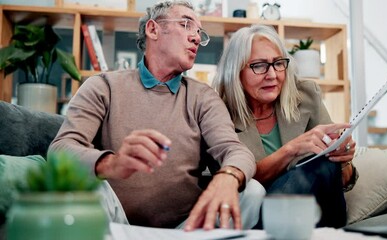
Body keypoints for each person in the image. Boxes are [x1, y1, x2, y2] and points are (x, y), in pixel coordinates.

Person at [48, 0, 265, 231]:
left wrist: (229, 176)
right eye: (185, 25)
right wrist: (111, 163)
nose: (195, 38)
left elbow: (235, 150)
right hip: (113, 223)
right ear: (153, 29)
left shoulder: (203, 97)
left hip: (186, 230)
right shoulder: (103, 86)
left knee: (252, 191)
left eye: (199, 32)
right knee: (85, 181)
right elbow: (60, 149)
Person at [212, 24, 359, 228]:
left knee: (325, 163)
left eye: (278, 63)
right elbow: (236, 179)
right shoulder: (218, 111)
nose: (272, 74)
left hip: (312, 212)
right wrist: (292, 149)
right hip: (254, 211)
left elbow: (336, 181)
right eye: (259, 65)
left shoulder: (306, 96)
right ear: (236, 71)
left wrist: (343, 158)